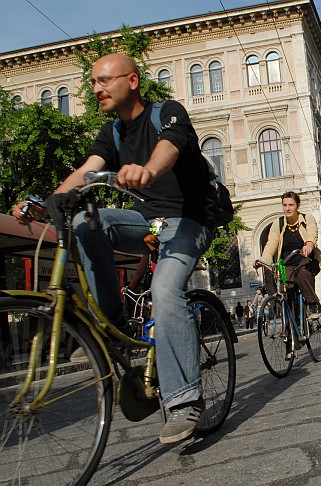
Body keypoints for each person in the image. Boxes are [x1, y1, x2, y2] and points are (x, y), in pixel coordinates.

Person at [12, 53, 215, 444]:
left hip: (188, 221)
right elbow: (87, 170)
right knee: (86, 221)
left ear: (133, 80)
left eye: (105, 80)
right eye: (92, 82)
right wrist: (48, 201)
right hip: (147, 224)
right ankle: (113, 320)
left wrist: (149, 170)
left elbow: (170, 148)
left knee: (164, 290)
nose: (96, 88)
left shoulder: (167, 113)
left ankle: (184, 401)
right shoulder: (113, 133)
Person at [254, 192, 321, 320]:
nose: (287, 208)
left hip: (306, 260)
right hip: (287, 262)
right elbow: (271, 244)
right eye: (284, 205)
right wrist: (262, 261)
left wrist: (308, 245)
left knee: (302, 274)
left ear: (298, 206)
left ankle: (312, 304)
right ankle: (290, 329)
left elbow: (312, 235)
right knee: (287, 291)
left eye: (291, 205)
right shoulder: (278, 223)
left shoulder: (308, 218)